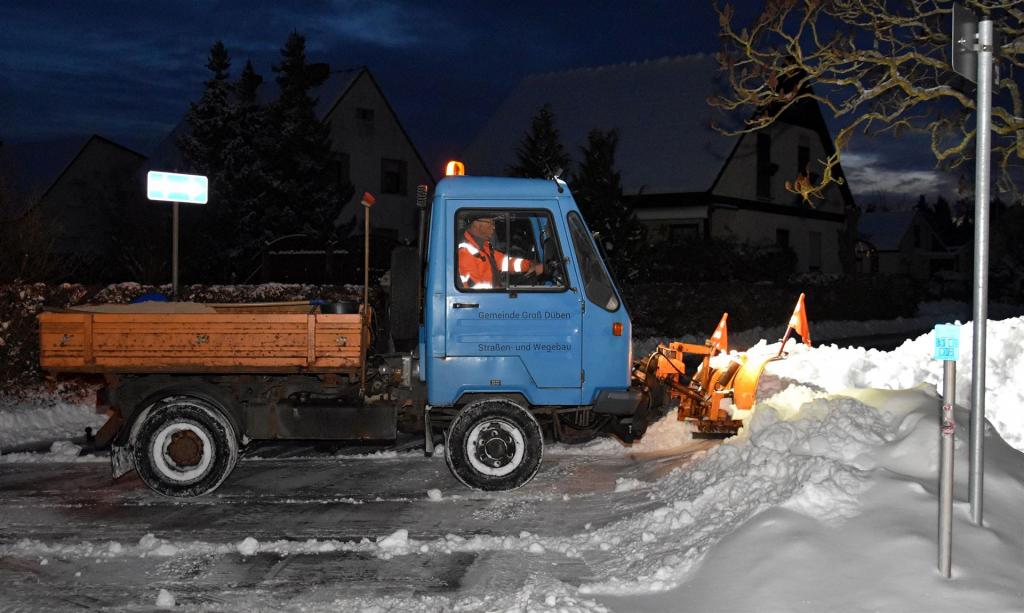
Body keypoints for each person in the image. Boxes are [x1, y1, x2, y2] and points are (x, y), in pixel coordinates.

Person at [458, 213, 543, 289]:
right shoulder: (464, 253)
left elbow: (504, 262)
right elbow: (474, 293)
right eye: (490, 223)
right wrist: (502, 292)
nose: (494, 227)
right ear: (477, 224)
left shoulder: (484, 247)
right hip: (489, 302)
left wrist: (529, 265)